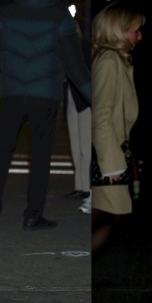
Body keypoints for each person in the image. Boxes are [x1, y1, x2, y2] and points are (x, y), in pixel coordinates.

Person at [0, 0, 92, 230]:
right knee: (40, 158)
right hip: (46, 94)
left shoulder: (6, 12)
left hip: (12, 93)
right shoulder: (60, 16)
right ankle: (32, 214)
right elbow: (74, 63)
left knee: (2, 153)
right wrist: (93, 96)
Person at [90, 0, 145, 257]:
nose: (140, 36)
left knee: (109, 213)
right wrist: (111, 163)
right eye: (135, 30)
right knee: (110, 214)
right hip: (108, 156)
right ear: (118, 31)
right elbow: (101, 115)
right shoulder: (110, 61)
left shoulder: (116, 60)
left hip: (114, 153)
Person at [65, 21, 92, 213]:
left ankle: (87, 186)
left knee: (85, 146)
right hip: (71, 96)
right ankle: (80, 186)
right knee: (75, 144)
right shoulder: (64, 48)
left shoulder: (83, 46)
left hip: (84, 98)